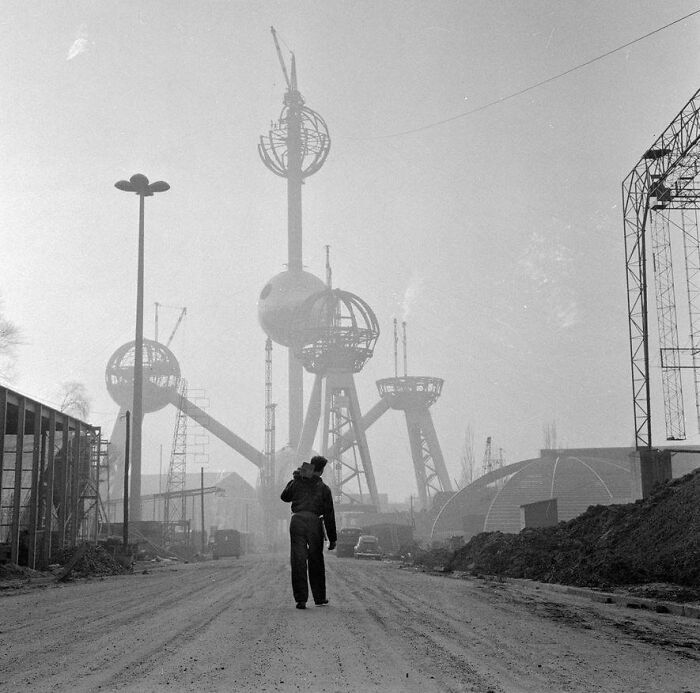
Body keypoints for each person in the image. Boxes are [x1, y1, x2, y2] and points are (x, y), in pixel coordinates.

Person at [280, 455, 337, 609]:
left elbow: (284, 497)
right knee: (316, 561)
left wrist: (295, 478)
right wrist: (332, 539)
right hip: (314, 523)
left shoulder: (298, 481)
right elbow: (329, 515)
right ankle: (319, 598)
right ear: (322, 470)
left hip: (297, 521)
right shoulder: (324, 489)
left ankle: (301, 600)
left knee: (298, 561)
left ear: (310, 467)